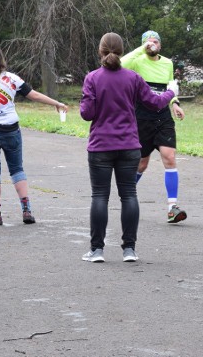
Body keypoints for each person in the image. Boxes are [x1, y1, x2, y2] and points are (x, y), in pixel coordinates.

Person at [79, 32, 177, 263]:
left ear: (100, 50)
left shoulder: (92, 78)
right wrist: (172, 92)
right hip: (128, 145)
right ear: (122, 51)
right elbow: (154, 103)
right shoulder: (133, 77)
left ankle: (97, 250)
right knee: (129, 196)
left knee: (100, 196)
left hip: (101, 145)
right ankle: (129, 250)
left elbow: (87, 114)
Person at [0, 45, 67, 226]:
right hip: (12, 130)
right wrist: (56, 103)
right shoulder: (12, 79)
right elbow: (33, 95)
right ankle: (26, 210)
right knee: (17, 170)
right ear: (1, 60)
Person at [121, 30, 188, 224]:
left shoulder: (167, 63)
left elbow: (170, 87)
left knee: (169, 156)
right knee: (142, 162)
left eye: (155, 42)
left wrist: (175, 103)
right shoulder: (137, 61)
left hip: (163, 116)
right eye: (148, 42)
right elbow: (121, 63)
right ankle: (127, 196)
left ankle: (172, 208)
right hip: (141, 116)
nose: (152, 45)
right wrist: (142, 49)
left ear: (160, 45)